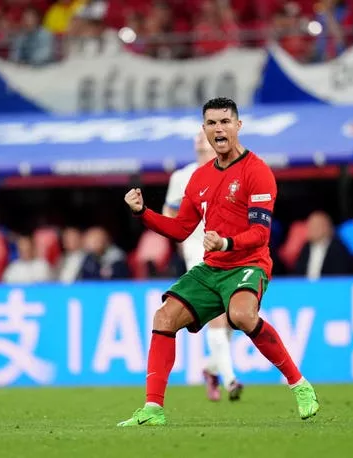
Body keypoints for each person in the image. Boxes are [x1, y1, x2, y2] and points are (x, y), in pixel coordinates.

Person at [118, 97, 320, 426]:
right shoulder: (198, 179)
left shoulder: (257, 172)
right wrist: (143, 213)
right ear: (204, 130)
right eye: (211, 123)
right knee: (164, 317)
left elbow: (260, 233)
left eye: (225, 121)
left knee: (241, 315)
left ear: (238, 126)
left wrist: (227, 242)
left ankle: (299, 385)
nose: (218, 128)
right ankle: (153, 409)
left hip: (248, 263)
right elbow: (181, 229)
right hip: (212, 268)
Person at [163, 128, 244, 402]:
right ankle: (231, 380)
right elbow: (168, 211)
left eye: (205, 135)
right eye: (197, 135)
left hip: (225, 245)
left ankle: (212, 369)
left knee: (234, 314)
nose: (200, 138)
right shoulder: (181, 177)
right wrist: (179, 235)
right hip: (197, 247)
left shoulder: (230, 173)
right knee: (220, 315)